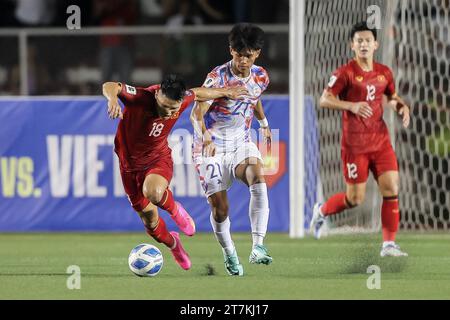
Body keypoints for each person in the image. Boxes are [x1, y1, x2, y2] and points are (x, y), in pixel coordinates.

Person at [102, 74, 247, 270]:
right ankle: (174, 244)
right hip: (128, 167)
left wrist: (225, 92)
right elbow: (111, 85)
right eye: (166, 107)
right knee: (151, 224)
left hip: (157, 159)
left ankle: (174, 209)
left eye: (174, 109)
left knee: (153, 192)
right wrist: (112, 99)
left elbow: (197, 93)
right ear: (157, 95)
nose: (170, 113)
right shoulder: (141, 97)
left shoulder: (181, 99)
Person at [310, 21, 411, 257]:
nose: (363, 44)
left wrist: (401, 107)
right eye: (359, 41)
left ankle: (388, 245)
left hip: (381, 141)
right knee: (355, 198)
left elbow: (392, 96)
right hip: (355, 146)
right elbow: (324, 99)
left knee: (391, 187)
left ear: (375, 44)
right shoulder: (345, 73)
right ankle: (322, 210)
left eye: (368, 40)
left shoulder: (384, 72)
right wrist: (351, 105)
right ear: (352, 45)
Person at [190, 23, 272, 276]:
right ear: (231, 51)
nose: (243, 60)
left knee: (257, 176)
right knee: (221, 208)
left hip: (240, 142)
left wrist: (264, 123)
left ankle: (258, 246)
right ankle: (229, 253)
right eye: (239, 54)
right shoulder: (218, 77)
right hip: (211, 148)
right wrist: (206, 138)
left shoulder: (261, 76)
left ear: (257, 53)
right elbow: (196, 113)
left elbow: (254, 98)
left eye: (248, 55)